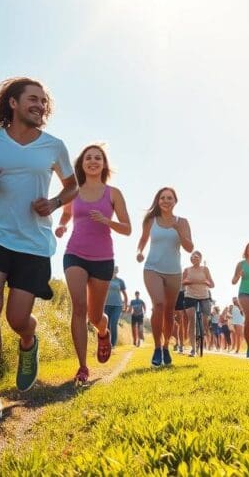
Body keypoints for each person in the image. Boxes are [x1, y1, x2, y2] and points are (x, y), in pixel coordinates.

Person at [0, 77, 77, 423]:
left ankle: (28, 338)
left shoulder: (54, 146)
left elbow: (72, 187)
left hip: (34, 242)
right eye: (33, 99)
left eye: (44, 102)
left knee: (17, 318)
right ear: (13, 103)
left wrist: (54, 202)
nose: (40, 105)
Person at [56, 144, 132, 385]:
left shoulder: (113, 193)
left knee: (94, 315)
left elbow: (128, 229)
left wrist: (106, 221)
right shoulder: (73, 190)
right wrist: (62, 225)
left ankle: (103, 330)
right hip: (75, 254)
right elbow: (67, 213)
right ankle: (82, 367)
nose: (93, 161)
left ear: (104, 164)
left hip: (102, 259)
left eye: (98, 158)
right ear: (82, 163)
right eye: (88, 158)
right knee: (78, 307)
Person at [137, 187, 194, 367]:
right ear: (158, 200)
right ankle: (156, 348)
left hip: (174, 272)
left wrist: (179, 230)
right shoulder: (150, 220)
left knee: (169, 312)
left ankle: (165, 347)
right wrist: (139, 252)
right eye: (162, 198)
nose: (166, 201)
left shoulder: (182, 222)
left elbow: (189, 247)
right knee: (158, 305)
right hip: (152, 268)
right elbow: (142, 240)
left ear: (175, 201)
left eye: (169, 198)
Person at [182, 250, 214, 356]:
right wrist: (191, 282)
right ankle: (193, 348)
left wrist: (206, 282)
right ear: (191, 259)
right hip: (190, 296)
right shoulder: (187, 270)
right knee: (191, 319)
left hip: (204, 296)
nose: (195, 259)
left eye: (197, 257)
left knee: (205, 319)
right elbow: (182, 283)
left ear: (200, 259)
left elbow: (212, 284)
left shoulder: (205, 269)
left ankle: (203, 330)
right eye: (193, 257)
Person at [104, 266, 128, 347]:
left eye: (115, 270)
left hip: (117, 306)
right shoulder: (106, 279)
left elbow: (125, 295)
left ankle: (113, 344)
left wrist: (125, 306)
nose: (113, 272)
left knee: (113, 323)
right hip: (106, 305)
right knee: (106, 325)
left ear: (117, 271)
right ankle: (107, 343)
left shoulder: (120, 281)